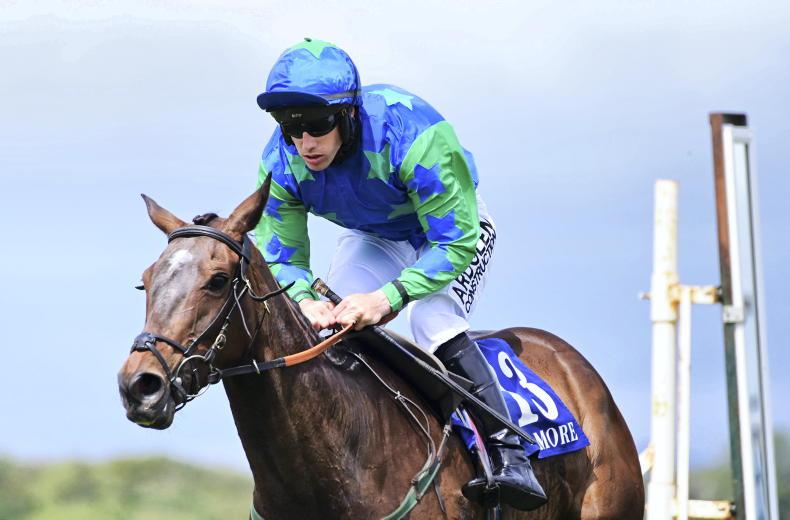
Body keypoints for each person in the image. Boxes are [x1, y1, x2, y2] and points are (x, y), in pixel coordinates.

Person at [253, 38, 547, 511]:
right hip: (375, 236)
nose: (305, 142)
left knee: (431, 321)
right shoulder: (281, 162)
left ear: (348, 114)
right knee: (328, 326)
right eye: (290, 126)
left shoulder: (412, 133)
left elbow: (455, 241)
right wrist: (304, 298)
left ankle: (509, 452)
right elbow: (281, 255)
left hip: (450, 232)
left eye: (318, 125)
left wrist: (387, 297)